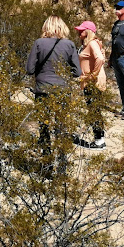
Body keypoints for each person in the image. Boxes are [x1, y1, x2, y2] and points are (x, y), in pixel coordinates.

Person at [26, 16, 82, 156]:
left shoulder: (39, 43)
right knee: (61, 126)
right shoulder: (69, 45)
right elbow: (77, 72)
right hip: (62, 89)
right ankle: (62, 163)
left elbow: (29, 70)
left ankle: (47, 160)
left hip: (43, 89)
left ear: (46, 27)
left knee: (44, 125)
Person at [74, 20, 106, 150]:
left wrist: (92, 75)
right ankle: (99, 138)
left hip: (93, 82)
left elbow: (100, 59)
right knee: (94, 108)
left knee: (94, 109)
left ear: (88, 31)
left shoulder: (92, 43)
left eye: (82, 30)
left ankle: (99, 140)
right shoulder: (89, 44)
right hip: (90, 81)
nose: (79, 32)